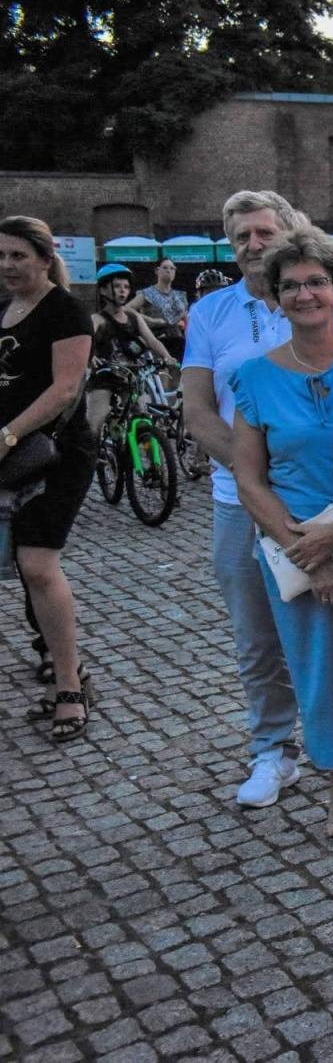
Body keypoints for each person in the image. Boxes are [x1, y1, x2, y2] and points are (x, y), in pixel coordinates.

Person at [182, 190, 333, 808]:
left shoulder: (321, 296)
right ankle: (272, 749)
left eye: (263, 232)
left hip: (328, 500)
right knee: (259, 633)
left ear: (287, 232)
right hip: (242, 501)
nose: (252, 245)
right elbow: (197, 410)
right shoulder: (211, 313)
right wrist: (256, 473)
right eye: (240, 236)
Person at [228, 226, 333, 843]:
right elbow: (249, 478)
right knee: (315, 667)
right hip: (290, 545)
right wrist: (309, 550)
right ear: (275, 297)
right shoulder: (253, 376)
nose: (305, 294)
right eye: (291, 285)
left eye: (317, 282)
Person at [1, 216, 96, 742]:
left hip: (54, 453)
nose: (7, 266)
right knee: (21, 562)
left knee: (38, 563)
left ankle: (68, 685)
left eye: (17, 255)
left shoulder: (65, 309)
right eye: (0, 256)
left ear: (43, 257)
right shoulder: (3, 311)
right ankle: (60, 662)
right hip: (8, 453)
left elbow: (64, 390)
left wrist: (8, 435)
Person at [91, 264, 174, 368]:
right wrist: (90, 356)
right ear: (102, 290)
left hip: (134, 376)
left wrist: (167, 357)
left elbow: (152, 340)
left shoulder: (132, 316)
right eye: (117, 286)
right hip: (106, 378)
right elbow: (84, 343)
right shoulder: (97, 319)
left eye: (126, 287)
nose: (123, 290)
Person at [128, 258, 189, 359]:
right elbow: (127, 309)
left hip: (178, 341)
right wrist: (151, 320)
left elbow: (186, 319)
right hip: (155, 340)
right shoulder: (147, 293)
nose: (169, 270)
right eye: (165, 268)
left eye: (172, 268)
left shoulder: (180, 296)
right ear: (157, 270)